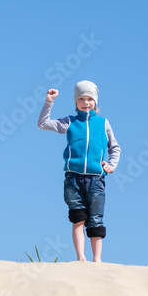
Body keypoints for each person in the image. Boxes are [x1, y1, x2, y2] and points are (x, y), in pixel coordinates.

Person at [37, 80, 120, 262]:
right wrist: (49, 102)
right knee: (78, 218)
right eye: (81, 98)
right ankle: (81, 257)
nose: (86, 102)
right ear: (76, 102)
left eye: (89, 99)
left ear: (95, 102)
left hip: (96, 179)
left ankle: (97, 259)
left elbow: (115, 148)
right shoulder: (70, 122)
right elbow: (43, 123)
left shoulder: (103, 123)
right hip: (73, 179)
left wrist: (111, 165)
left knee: (96, 220)